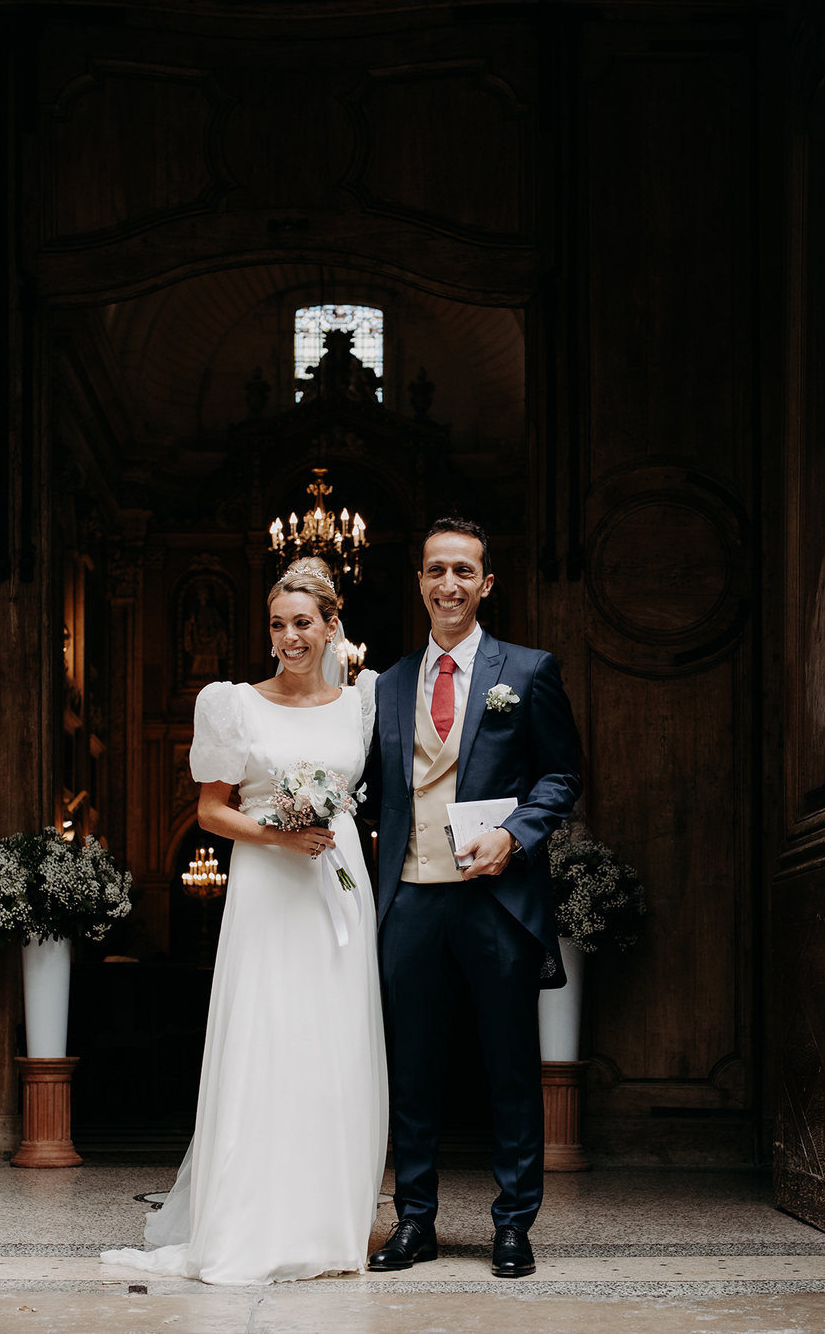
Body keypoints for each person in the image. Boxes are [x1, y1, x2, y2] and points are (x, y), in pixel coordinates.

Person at [101, 557, 387, 1285]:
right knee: (267, 1036)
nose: (289, 637)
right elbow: (209, 810)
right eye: (277, 624)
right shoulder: (232, 703)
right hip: (268, 883)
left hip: (338, 884)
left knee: (335, 1042)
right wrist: (277, 834)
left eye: (303, 623)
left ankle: (329, 1223)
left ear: (331, 627)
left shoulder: (363, 703)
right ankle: (250, 1218)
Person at [364, 517, 581, 1279]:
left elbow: (561, 776)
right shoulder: (387, 686)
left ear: (487, 583)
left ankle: (513, 1223)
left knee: (510, 1067)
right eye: (435, 571)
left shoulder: (527, 671)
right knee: (411, 1069)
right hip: (410, 903)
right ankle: (414, 1221)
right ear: (419, 581)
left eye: (463, 571)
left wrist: (517, 834)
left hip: (496, 903)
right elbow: (367, 793)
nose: (448, 584)